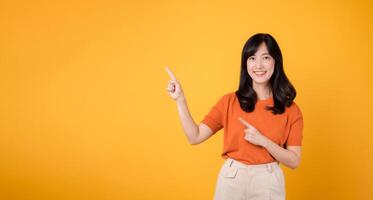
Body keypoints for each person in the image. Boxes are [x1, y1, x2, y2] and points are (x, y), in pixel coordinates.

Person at [165, 33, 303, 200]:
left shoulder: (291, 110)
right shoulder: (229, 102)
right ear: (246, 64)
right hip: (232, 179)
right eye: (252, 58)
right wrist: (180, 99)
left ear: (276, 62)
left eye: (265, 57)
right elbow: (195, 136)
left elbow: (294, 161)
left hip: (268, 181)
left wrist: (263, 141)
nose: (258, 65)